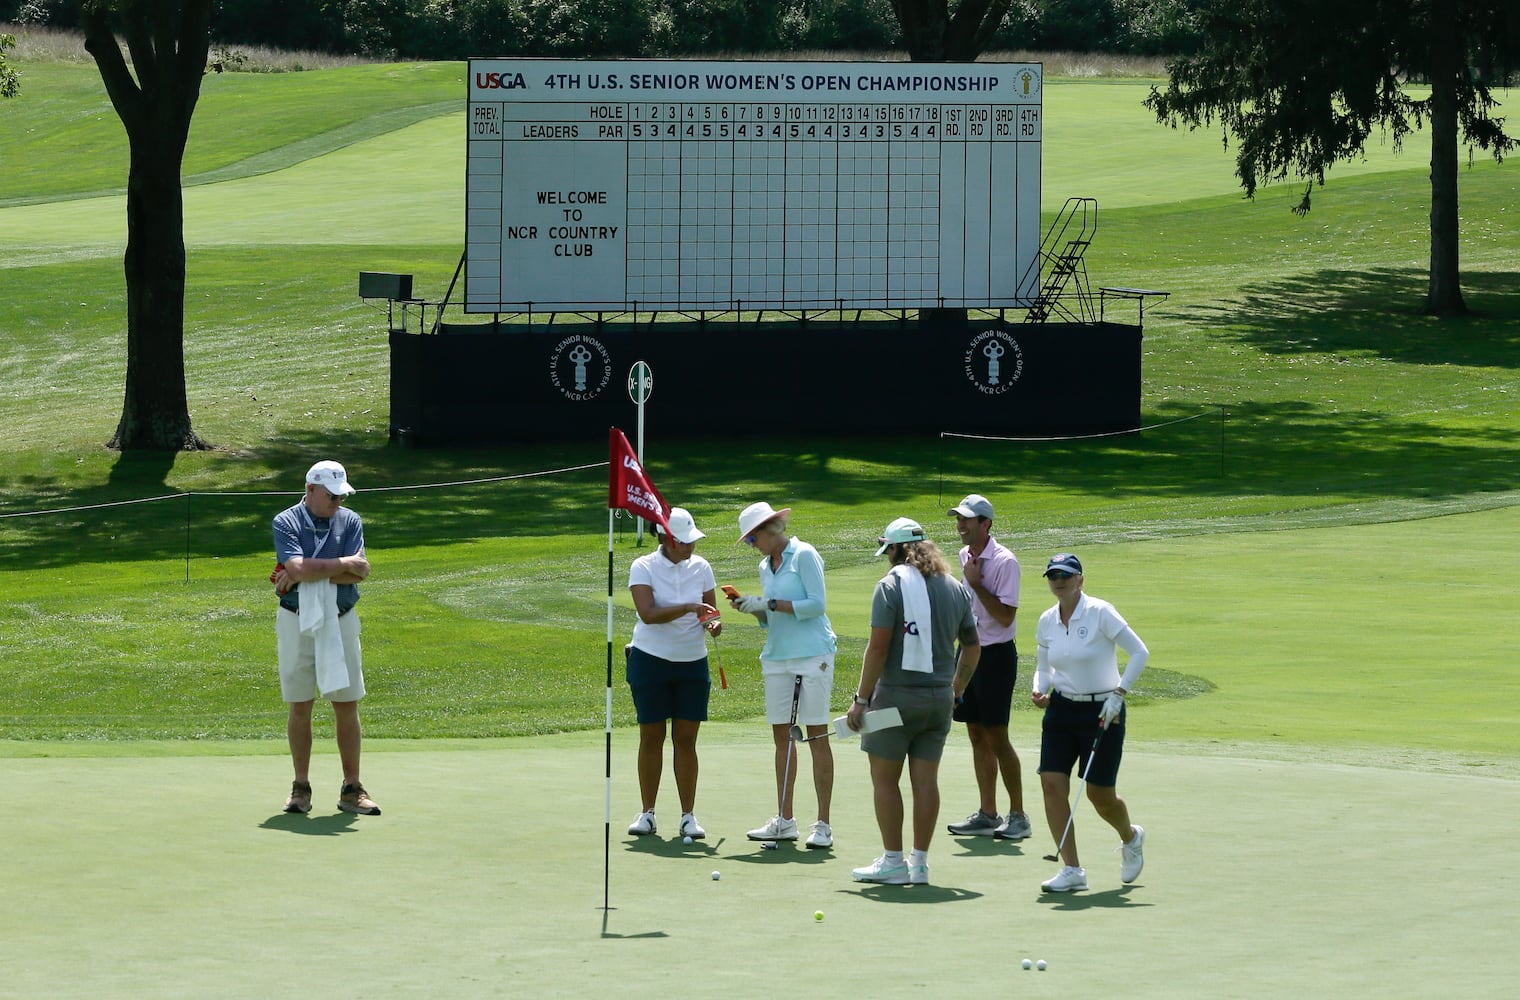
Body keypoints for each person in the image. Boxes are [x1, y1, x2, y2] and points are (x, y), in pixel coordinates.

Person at [846, 517, 980, 885]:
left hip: (894, 701)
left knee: (885, 780)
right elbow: (972, 646)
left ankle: (893, 861)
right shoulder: (955, 588)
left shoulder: (890, 585)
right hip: (938, 701)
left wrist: (861, 700)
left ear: (896, 549)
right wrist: (955, 688)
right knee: (926, 782)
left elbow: (878, 647)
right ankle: (919, 864)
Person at [1031, 553, 1150, 892]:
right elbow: (1044, 667)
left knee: (1101, 795)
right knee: (1052, 784)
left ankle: (1130, 837)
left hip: (1104, 712)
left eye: (1066, 574)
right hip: (1061, 710)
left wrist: (1120, 692)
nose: (1059, 580)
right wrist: (1040, 689)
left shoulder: (1100, 612)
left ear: (1080, 580)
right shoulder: (1047, 620)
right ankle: (1072, 871)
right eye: (1053, 575)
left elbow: (1140, 652)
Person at [270, 460, 378, 816]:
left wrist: (302, 574)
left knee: (346, 703)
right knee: (300, 703)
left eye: (341, 496)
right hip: (295, 619)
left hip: (341, 618)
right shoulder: (285, 521)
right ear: (311, 490)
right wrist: (338, 563)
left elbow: (358, 574)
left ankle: (352, 788)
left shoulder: (350, 521)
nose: (337, 503)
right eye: (331, 496)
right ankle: (300, 788)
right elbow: (297, 567)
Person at [731, 501, 838, 850]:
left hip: (814, 654)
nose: (752, 546)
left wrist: (771, 604)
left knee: (817, 734)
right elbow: (771, 619)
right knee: (782, 737)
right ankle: (785, 820)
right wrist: (755, 610)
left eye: (752, 538)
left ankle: (822, 824)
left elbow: (816, 605)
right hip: (777, 656)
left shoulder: (804, 555)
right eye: (748, 541)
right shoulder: (766, 566)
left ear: (770, 529)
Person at [625, 508, 721, 841]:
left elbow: (709, 611)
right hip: (650, 660)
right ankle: (647, 813)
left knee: (686, 740)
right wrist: (689, 608)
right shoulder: (643, 567)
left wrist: (712, 623)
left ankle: (688, 817)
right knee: (651, 737)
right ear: (667, 539)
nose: (691, 547)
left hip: (693, 663)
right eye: (685, 542)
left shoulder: (702, 567)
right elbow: (648, 614)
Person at [944, 494, 1032, 841]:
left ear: (986, 524)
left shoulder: (1004, 561)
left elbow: (1006, 616)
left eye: (967, 519)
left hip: (995, 657)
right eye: (958, 519)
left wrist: (977, 582)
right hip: (968, 652)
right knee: (976, 733)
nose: (960, 525)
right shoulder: (966, 555)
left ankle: (1019, 815)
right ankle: (987, 813)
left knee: (997, 736)